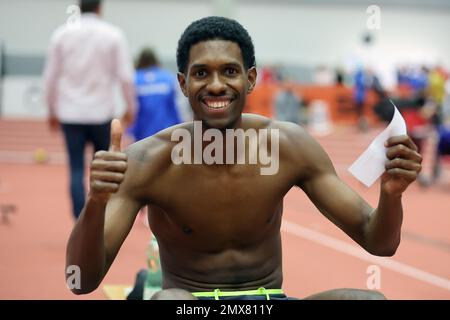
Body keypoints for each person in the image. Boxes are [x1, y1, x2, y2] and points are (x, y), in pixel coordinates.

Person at [66, 16, 422, 300]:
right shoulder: (148, 161)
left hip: (267, 301)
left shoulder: (288, 146)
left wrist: (391, 195)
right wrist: (96, 202)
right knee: (168, 300)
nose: (217, 84)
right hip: (191, 305)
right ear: (182, 83)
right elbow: (79, 280)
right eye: (201, 73)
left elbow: (380, 242)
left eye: (230, 71)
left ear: (251, 79)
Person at [43, 0, 135, 219]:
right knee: (103, 169)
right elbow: (126, 77)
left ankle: (79, 220)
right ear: (99, 9)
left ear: (79, 7)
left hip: (70, 113)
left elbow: (49, 78)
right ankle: (100, 218)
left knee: (75, 169)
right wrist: (131, 107)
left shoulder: (61, 35)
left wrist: (51, 110)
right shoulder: (113, 35)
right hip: (101, 113)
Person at [128, 48, 182, 142]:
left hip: (142, 135)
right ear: (156, 61)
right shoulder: (168, 78)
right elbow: (176, 106)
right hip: (167, 132)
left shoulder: (134, 79)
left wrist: (128, 132)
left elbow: (131, 109)